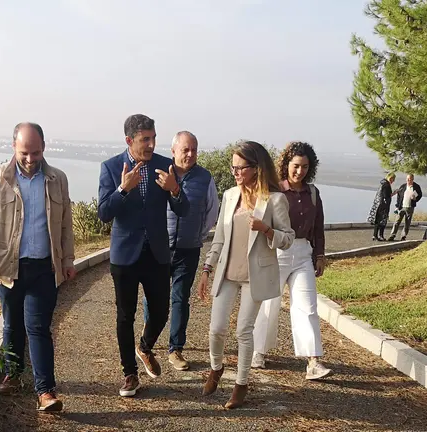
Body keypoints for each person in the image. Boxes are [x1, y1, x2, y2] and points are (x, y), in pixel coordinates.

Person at [0, 122, 77, 412]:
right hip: (6, 266)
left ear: (44, 148)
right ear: (14, 147)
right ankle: (13, 373)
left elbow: (66, 223)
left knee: (39, 327)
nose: (31, 159)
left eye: (37, 152)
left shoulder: (57, 179)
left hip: (44, 266)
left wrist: (68, 260)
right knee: (12, 323)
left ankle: (45, 391)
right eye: (25, 152)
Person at [197, 140, 294, 409]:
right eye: (233, 167)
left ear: (256, 167)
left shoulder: (275, 200)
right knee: (216, 328)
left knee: (243, 330)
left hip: (255, 276)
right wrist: (206, 269)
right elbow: (219, 238)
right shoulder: (229, 195)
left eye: (241, 167)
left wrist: (266, 229)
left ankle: (241, 384)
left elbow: (288, 238)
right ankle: (216, 368)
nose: (236, 172)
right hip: (227, 272)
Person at [98, 114, 189, 397]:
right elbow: (104, 213)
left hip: (158, 253)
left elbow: (183, 209)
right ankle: (129, 374)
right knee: (125, 316)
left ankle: (145, 347)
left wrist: (174, 189)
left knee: (161, 310)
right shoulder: (111, 167)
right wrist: (123, 189)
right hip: (125, 255)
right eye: (144, 139)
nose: (151, 144)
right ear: (129, 140)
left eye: (153, 138)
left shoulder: (165, 165)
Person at [251, 142, 332, 380]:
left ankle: (313, 361)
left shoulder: (313, 194)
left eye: (305, 167)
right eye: (296, 166)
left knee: (307, 306)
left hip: (303, 253)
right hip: (275, 250)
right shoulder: (273, 191)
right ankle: (258, 351)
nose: (300, 171)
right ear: (286, 165)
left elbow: (318, 227)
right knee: (269, 303)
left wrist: (320, 255)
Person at [141, 131, 219, 371]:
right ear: (173, 150)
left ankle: (176, 349)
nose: (190, 154)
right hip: (159, 248)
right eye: (185, 149)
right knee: (153, 298)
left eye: (194, 149)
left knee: (180, 299)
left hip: (188, 249)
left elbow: (211, 211)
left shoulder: (204, 178)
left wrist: (198, 235)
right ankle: (148, 343)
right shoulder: (160, 172)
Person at [388, 174, 423, 241]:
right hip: (401, 207)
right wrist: (397, 206)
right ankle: (392, 235)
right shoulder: (403, 186)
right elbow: (399, 196)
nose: (408, 180)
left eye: (410, 179)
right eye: (407, 179)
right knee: (397, 221)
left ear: (412, 179)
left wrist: (415, 199)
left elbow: (420, 195)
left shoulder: (416, 187)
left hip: (410, 207)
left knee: (407, 222)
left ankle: (403, 236)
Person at [367, 173, 396, 241]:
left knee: (377, 220)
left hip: (377, 204)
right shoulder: (386, 185)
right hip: (383, 206)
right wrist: (394, 193)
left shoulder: (382, 183)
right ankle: (380, 235)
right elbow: (386, 196)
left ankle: (375, 235)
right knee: (382, 221)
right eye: (392, 179)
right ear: (390, 178)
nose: (393, 181)